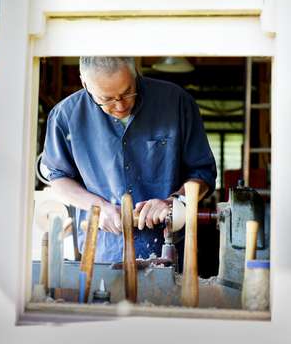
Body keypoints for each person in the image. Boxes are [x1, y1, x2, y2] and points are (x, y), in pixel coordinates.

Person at [41, 57, 216, 265]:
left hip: (170, 252)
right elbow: (58, 179)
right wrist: (97, 207)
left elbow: (203, 173)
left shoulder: (176, 102)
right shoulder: (65, 116)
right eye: (106, 99)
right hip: (103, 252)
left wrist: (174, 202)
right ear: (84, 83)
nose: (120, 105)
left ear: (136, 72)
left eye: (127, 92)